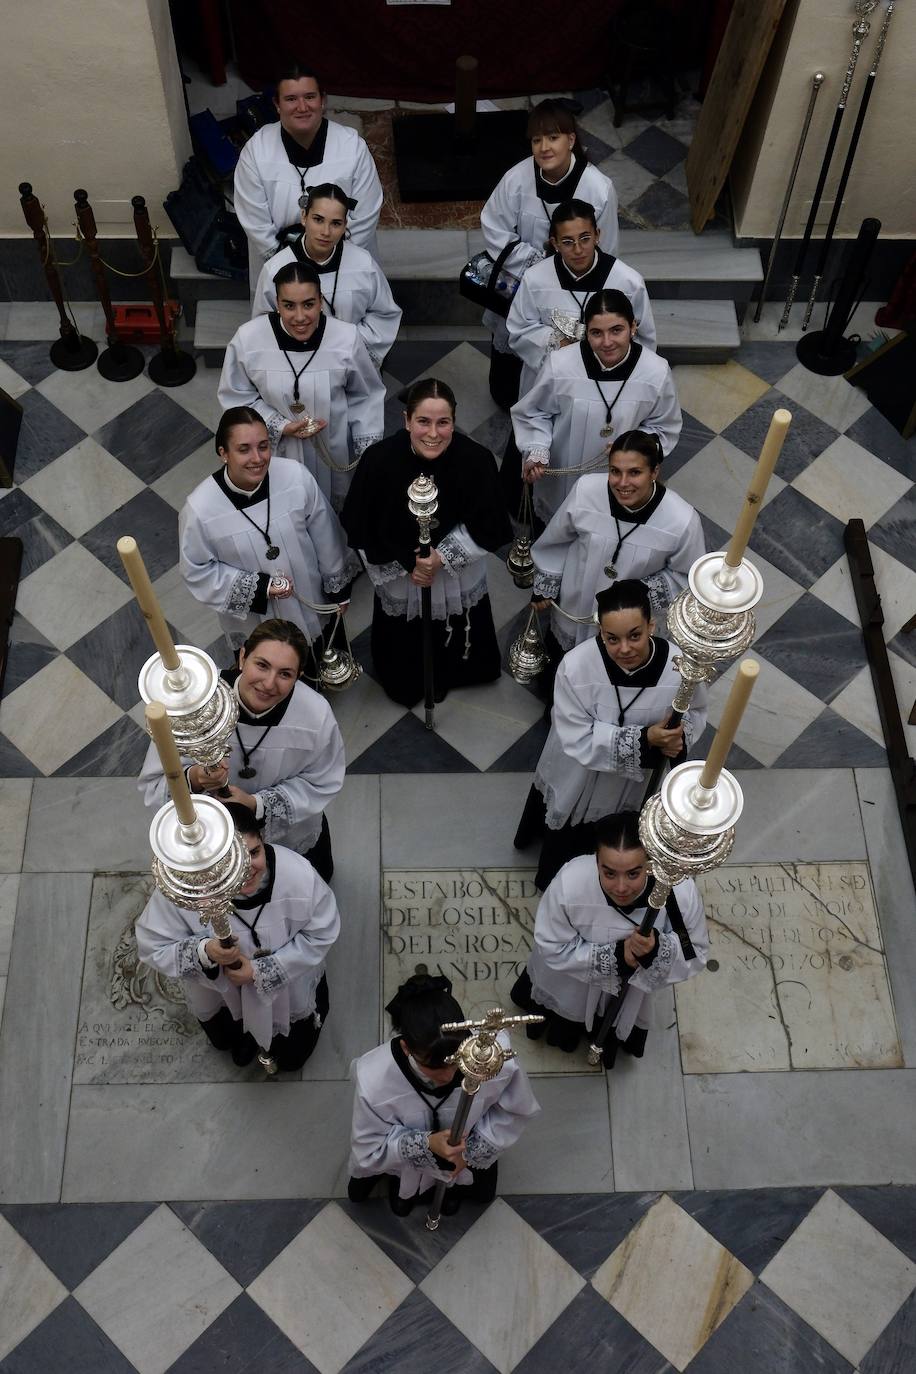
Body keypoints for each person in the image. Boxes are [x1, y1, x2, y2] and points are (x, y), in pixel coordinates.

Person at [515, 580, 707, 890]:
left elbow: (697, 712)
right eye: (612, 638)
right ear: (600, 633)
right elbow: (574, 733)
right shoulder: (577, 667)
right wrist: (646, 740)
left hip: (634, 784)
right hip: (580, 773)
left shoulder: (678, 668)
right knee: (568, 841)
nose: (625, 649)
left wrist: (677, 735)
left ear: (651, 626)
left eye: (635, 635)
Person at [341, 378, 512, 708]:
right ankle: (406, 679)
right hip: (402, 574)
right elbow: (363, 524)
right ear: (406, 420)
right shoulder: (378, 461)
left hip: (454, 570)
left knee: (459, 626)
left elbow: (488, 524)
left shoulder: (476, 460)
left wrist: (442, 558)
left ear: (453, 421)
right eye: (423, 421)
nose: (433, 434)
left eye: (443, 422)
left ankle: (455, 672)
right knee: (403, 634)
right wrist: (410, 562)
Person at [136, 804, 341, 1072]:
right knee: (228, 1034)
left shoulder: (297, 876)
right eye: (230, 862)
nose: (246, 869)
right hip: (222, 992)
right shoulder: (185, 889)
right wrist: (206, 952)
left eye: (254, 852)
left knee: (293, 1054)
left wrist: (260, 972)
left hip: (286, 986)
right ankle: (246, 1038)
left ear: (263, 840)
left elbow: (321, 931)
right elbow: (153, 945)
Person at [139, 618, 345, 881]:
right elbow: (154, 784)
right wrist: (195, 778)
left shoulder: (315, 715)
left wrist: (257, 805)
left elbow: (323, 781)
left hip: (290, 835)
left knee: (304, 888)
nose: (269, 684)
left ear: (299, 676)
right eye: (262, 665)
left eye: (285, 674)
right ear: (243, 657)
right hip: (217, 840)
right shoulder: (195, 703)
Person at [512, 811, 708, 1068]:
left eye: (633, 874)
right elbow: (551, 944)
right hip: (573, 982)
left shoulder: (678, 893)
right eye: (609, 873)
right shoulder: (571, 882)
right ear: (596, 861)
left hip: (631, 992)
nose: (621, 888)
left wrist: (655, 950)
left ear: (650, 862)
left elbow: (693, 951)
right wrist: (616, 957)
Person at [347, 972, 540, 1216]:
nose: (448, 1077)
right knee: (400, 1198)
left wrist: (467, 1153)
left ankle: (454, 1188)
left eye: (454, 1062)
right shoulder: (374, 1078)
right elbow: (368, 1146)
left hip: (467, 1147)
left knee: (480, 1195)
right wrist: (426, 1145)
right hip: (407, 1161)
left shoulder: (494, 1059)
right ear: (406, 1047)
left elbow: (513, 1112)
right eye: (433, 1067)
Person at [179, 407, 357, 664]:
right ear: (223, 454)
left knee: (321, 659)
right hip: (256, 619)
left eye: (263, 446)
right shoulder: (200, 510)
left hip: (309, 596)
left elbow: (325, 534)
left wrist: (338, 588)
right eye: (244, 449)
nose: (257, 458)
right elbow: (197, 571)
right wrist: (259, 587)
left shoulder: (295, 476)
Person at [480, 100, 619, 409]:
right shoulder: (517, 179)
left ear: (570, 140)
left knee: (559, 354)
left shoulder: (597, 188)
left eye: (553, 137)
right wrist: (535, 264)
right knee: (515, 345)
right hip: (522, 283)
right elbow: (494, 226)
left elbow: (607, 246)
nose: (544, 147)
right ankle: (506, 395)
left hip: (574, 287)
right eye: (536, 139)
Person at [218, 262, 385, 509]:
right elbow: (236, 397)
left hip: (333, 447)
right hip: (275, 451)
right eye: (288, 306)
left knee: (333, 510)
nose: (299, 317)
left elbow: (366, 395)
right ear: (277, 303)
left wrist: (366, 451)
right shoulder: (249, 339)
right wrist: (281, 425)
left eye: (308, 304)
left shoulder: (346, 338)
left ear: (321, 301)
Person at [511, 289, 682, 525]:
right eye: (596, 333)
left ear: (633, 327)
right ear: (586, 333)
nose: (607, 342)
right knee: (559, 528)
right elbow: (534, 412)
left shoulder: (655, 372)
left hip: (622, 477)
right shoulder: (561, 364)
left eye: (616, 330)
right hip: (565, 470)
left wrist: (636, 445)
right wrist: (537, 449)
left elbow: (664, 426)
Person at [530, 428, 704, 656]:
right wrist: (545, 587)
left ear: (654, 472)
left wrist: (639, 590)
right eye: (615, 471)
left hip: (630, 623)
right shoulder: (587, 490)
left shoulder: (682, 521)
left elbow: (688, 577)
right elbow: (556, 541)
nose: (622, 483)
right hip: (577, 602)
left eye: (634, 472)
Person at [233, 63, 383, 286]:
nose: (302, 107)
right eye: (291, 99)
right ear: (277, 104)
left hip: (342, 265)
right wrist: (288, 264)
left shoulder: (352, 147)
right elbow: (254, 219)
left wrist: (330, 260)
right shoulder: (256, 151)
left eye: (310, 97)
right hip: (280, 267)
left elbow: (365, 213)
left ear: (323, 100)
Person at [507, 198, 656, 400]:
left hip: (609, 381)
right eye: (568, 242)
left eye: (585, 238)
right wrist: (558, 343)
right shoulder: (535, 279)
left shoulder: (628, 282)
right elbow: (519, 330)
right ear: (555, 243)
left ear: (597, 236)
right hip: (551, 382)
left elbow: (644, 339)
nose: (578, 250)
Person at [252, 182, 401, 369]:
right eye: (318, 219)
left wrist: (348, 346)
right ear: (304, 217)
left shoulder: (363, 264)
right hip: (297, 364)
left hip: (351, 363)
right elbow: (263, 325)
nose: (325, 232)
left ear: (345, 225)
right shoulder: (275, 269)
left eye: (336, 223)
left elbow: (383, 314)